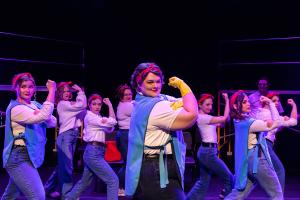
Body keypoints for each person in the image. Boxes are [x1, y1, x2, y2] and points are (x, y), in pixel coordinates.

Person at [125, 62, 198, 200]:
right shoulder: (157, 106)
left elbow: (185, 101)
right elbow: (192, 114)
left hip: (151, 166)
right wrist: (182, 85)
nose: (155, 86)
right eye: (150, 82)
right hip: (157, 169)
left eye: (158, 81)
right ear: (139, 84)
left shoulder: (148, 101)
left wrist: (182, 102)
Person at [225, 90, 297, 200]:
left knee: (238, 195)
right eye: (244, 102)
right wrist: (270, 103)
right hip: (257, 160)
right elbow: (276, 123)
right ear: (235, 106)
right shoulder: (251, 123)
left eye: (248, 101)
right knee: (276, 194)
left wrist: (291, 108)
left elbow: (291, 122)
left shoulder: (238, 121)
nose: (248, 104)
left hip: (248, 162)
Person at [2, 72, 56, 199]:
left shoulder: (34, 105)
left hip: (30, 154)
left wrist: (43, 115)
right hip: (18, 156)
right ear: (16, 88)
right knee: (38, 196)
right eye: (23, 86)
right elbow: (44, 116)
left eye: (30, 86)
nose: (27, 90)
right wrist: (52, 90)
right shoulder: (16, 108)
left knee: (10, 196)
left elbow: (53, 122)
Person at [65, 94, 119, 200]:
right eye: (94, 104)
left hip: (97, 151)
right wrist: (109, 110)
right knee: (113, 180)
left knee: (84, 182)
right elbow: (112, 122)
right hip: (93, 152)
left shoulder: (98, 117)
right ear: (89, 105)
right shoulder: (90, 117)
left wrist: (109, 114)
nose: (97, 106)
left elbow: (110, 128)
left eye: (99, 104)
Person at [186, 93, 234, 200]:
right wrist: (227, 100)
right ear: (200, 105)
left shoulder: (206, 118)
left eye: (211, 105)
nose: (210, 107)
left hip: (207, 151)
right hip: (208, 153)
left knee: (203, 182)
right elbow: (224, 118)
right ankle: (226, 196)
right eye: (207, 105)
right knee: (229, 178)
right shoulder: (202, 117)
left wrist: (224, 120)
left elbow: (221, 123)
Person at [44, 81, 87, 199]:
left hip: (72, 135)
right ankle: (67, 195)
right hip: (65, 137)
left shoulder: (70, 105)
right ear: (59, 94)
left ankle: (48, 188)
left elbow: (82, 112)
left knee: (62, 166)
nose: (67, 93)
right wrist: (81, 92)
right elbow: (82, 106)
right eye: (64, 91)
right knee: (67, 167)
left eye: (68, 91)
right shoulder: (63, 104)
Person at [255, 92, 298, 193]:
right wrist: (282, 121)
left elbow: (294, 121)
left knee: (254, 176)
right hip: (263, 144)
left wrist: (294, 105)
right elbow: (275, 122)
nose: (277, 103)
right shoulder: (262, 112)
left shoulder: (274, 114)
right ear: (266, 102)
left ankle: (231, 193)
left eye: (278, 101)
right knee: (279, 170)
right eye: (274, 101)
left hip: (267, 145)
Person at [115, 84, 134, 196]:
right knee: (128, 163)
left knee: (129, 162)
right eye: (126, 94)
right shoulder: (126, 105)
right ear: (121, 96)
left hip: (128, 134)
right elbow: (139, 111)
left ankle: (123, 185)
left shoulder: (129, 104)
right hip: (124, 135)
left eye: (130, 94)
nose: (128, 96)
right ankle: (119, 186)